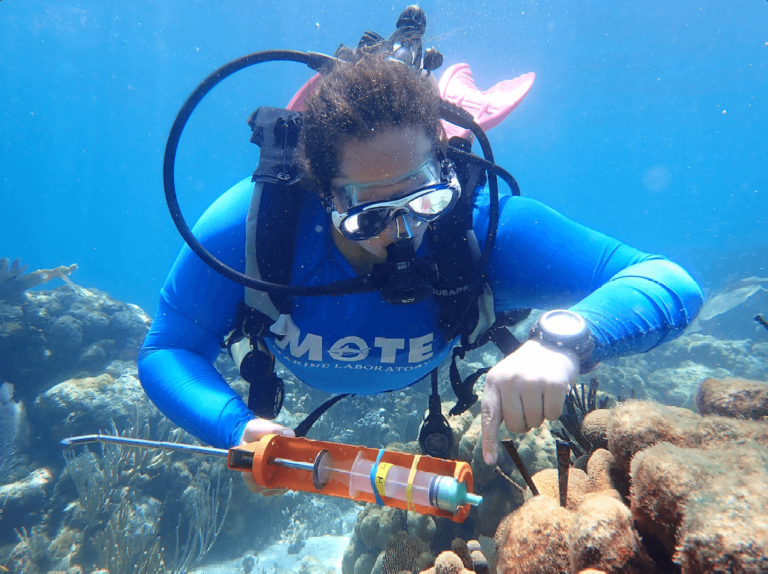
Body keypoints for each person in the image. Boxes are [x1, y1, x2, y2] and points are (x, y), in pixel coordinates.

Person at [138, 54, 703, 495]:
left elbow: (668, 279)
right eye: (369, 216)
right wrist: (232, 426)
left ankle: (444, 105)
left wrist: (563, 343)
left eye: (425, 199)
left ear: (445, 173)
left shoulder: (484, 230)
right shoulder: (253, 229)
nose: (403, 232)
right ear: (323, 195)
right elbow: (168, 346)